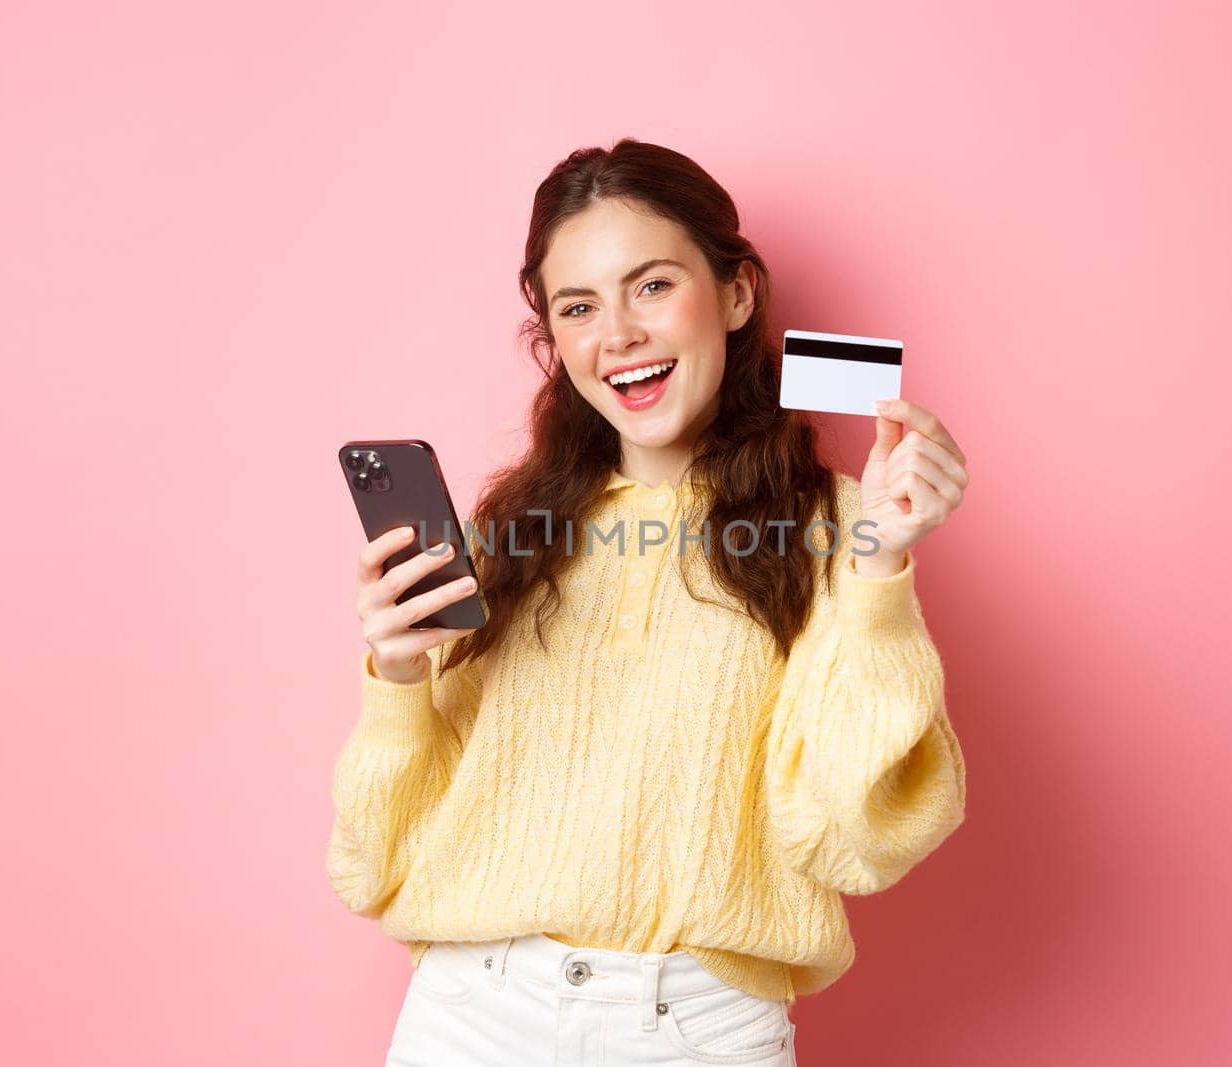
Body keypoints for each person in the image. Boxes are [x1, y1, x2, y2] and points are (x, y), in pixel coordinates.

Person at [327, 138, 971, 1066]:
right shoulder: (507, 532)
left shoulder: (840, 524)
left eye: (653, 285)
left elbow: (855, 836)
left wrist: (877, 574)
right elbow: (371, 859)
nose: (617, 333)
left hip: (697, 1031)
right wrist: (395, 677)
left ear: (738, 293)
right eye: (578, 307)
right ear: (556, 340)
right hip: (471, 1016)